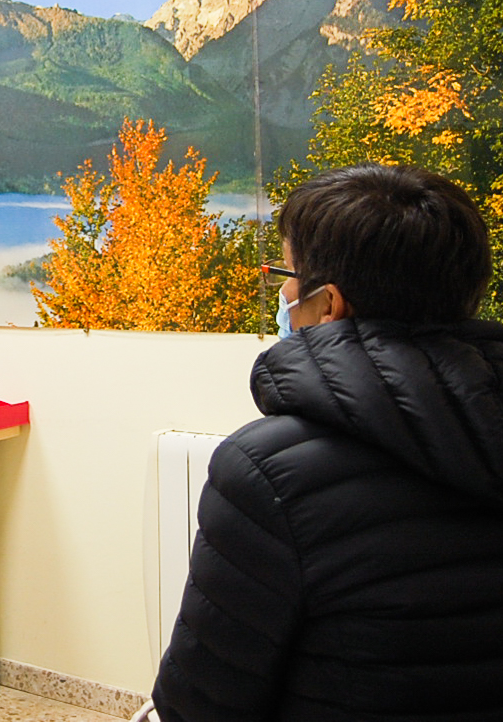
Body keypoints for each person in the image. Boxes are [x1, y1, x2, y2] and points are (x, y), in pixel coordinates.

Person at [152, 164, 503, 721]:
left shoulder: (266, 473)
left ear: (329, 305)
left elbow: (202, 703)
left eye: (286, 272)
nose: (285, 291)